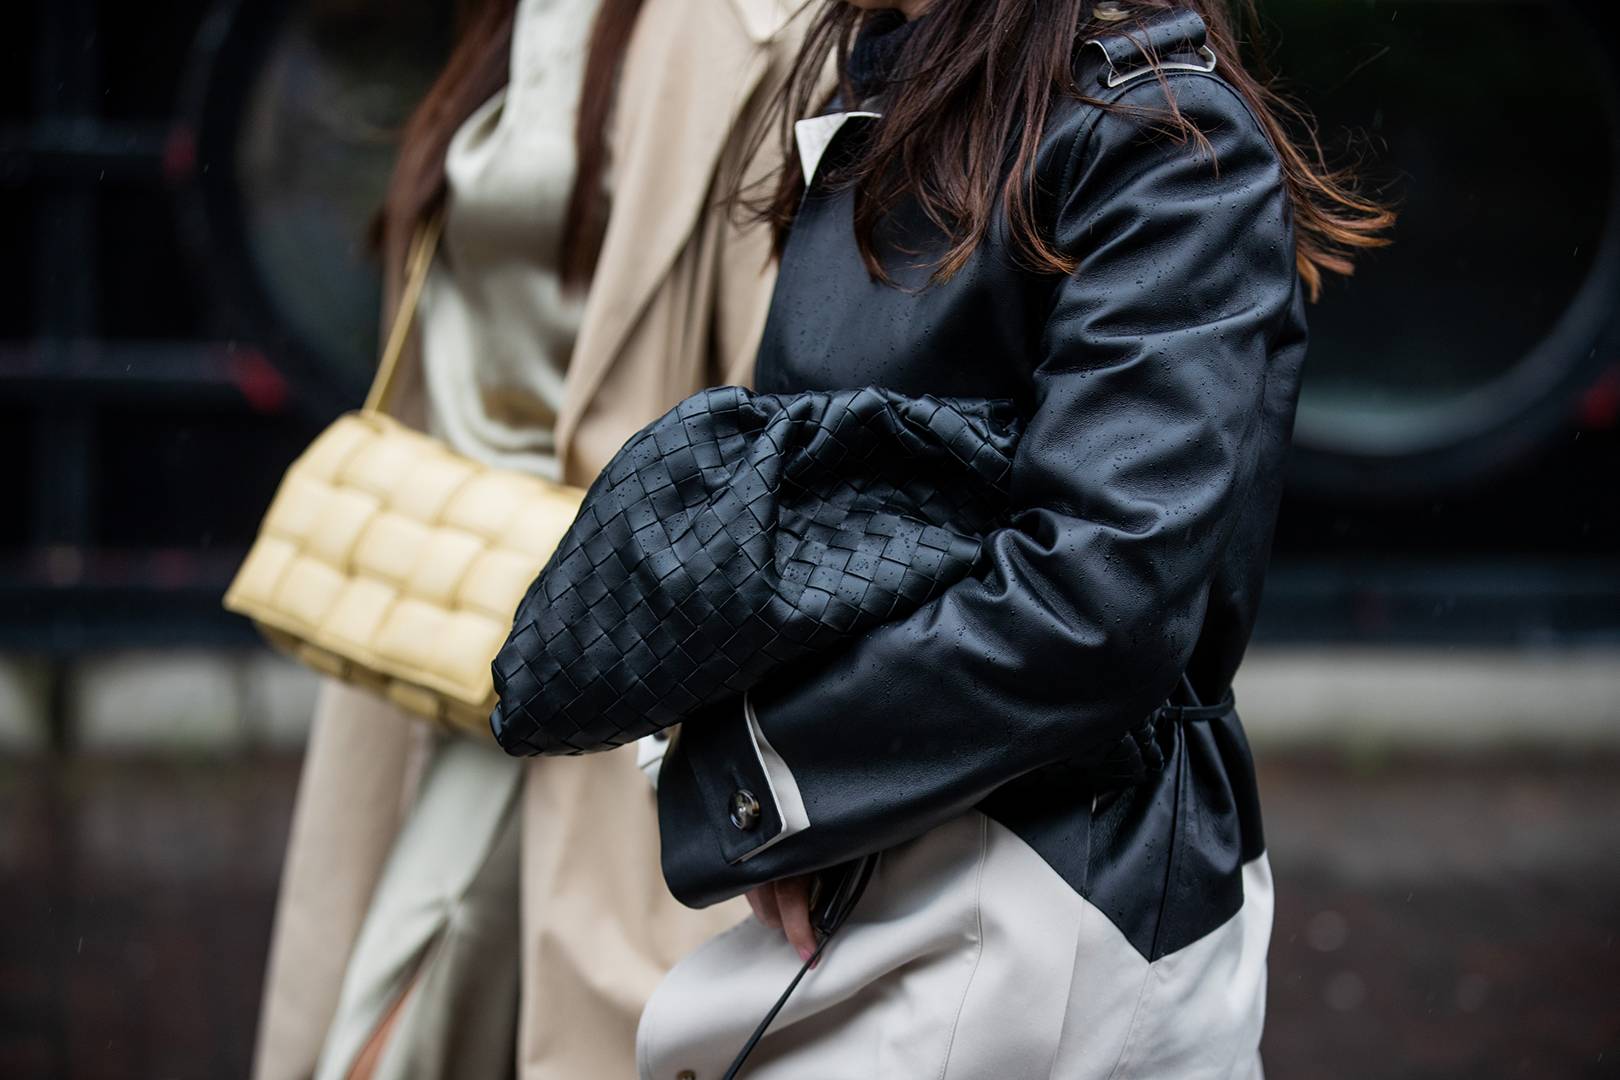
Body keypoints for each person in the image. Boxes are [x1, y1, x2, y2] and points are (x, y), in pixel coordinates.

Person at [639, 1, 1392, 1076]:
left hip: (1060, 883)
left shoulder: (1158, 134)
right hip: (900, 850)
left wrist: (768, 777)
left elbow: (1099, 597)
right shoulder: (896, 86)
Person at [250, 2, 811, 1078]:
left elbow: (775, 418)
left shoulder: (764, 28)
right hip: (443, 598)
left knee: (400, 1033)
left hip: (611, 656)